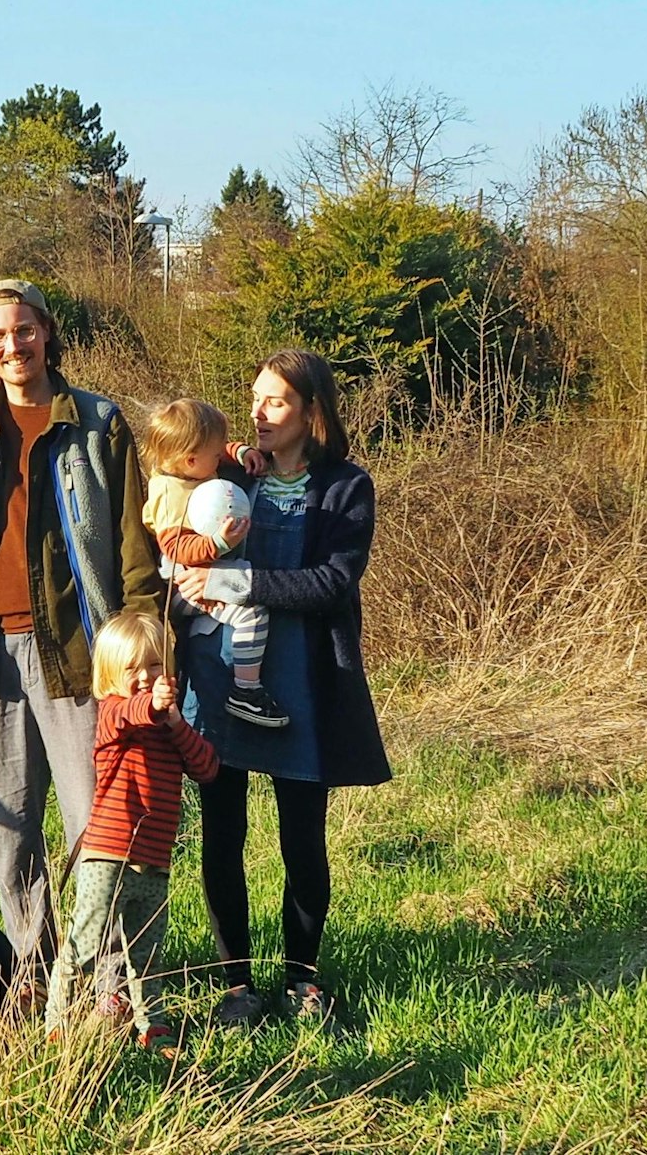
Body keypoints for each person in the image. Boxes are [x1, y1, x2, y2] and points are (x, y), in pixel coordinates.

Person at [0, 279, 163, 987]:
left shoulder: (98, 424)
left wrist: (146, 646)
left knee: (95, 832)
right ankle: (38, 975)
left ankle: (109, 984)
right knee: (8, 841)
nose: (13, 345)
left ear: (46, 331)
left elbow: (136, 548)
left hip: (78, 657)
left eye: (25, 330)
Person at [173, 349, 391, 1026]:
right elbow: (173, 514)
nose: (258, 413)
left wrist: (234, 583)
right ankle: (236, 982)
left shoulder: (346, 487)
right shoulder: (235, 474)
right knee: (222, 834)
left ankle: (303, 980)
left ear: (310, 412)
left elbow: (332, 582)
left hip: (303, 688)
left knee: (303, 839)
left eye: (275, 402)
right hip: (218, 685)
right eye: (255, 398)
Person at [45, 611, 217, 1052]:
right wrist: (155, 705)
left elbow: (206, 767)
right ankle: (57, 1020)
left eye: (155, 666)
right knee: (84, 943)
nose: (145, 676)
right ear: (110, 676)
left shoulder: (169, 730)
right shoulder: (112, 715)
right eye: (132, 669)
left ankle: (152, 1026)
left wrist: (176, 722)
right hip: (109, 854)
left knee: (145, 954)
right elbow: (129, 713)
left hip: (154, 862)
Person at [141, 398, 289, 728]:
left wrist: (241, 453)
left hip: (203, 573)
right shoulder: (169, 493)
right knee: (252, 614)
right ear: (191, 459)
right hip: (184, 583)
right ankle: (246, 691)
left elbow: (220, 450)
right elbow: (176, 546)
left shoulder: (189, 463)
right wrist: (219, 543)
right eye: (215, 453)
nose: (220, 456)